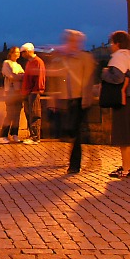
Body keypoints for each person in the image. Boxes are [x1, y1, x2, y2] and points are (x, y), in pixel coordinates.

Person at [50, 30, 96, 173]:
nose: (69, 43)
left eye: (72, 40)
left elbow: (88, 80)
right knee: (72, 131)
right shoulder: (66, 58)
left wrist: (86, 99)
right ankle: (83, 159)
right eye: (68, 40)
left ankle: (74, 165)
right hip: (69, 99)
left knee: (74, 131)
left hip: (80, 99)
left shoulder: (85, 58)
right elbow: (58, 75)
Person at [102, 30, 130, 179]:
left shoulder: (118, 58)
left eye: (112, 43)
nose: (111, 46)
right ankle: (127, 166)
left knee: (123, 135)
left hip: (122, 100)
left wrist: (104, 72)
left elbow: (117, 78)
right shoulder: (129, 57)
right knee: (129, 135)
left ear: (117, 43)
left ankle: (125, 169)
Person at [20, 42, 46, 144]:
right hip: (28, 91)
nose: (22, 55)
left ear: (27, 52)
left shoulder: (37, 62)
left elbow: (40, 77)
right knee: (29, 114)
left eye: (23, 53)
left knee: (34, 114)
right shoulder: (30, 62)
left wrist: (37, 89)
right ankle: (33, 135)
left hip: (33, 91)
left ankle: (35, 137)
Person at [0, 46, 25, 144]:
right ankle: (3, 135)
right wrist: (20, 76)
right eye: (16, 52)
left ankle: (14, 134)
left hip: (18, 92)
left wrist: (17, 75)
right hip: (10, 92)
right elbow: (11, 76)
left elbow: (20, 76)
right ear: (11, 53)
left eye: (19, 52)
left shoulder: (18, 65)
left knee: (17, 115)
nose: (18, 54)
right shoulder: (6, 63)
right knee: (10, 114)